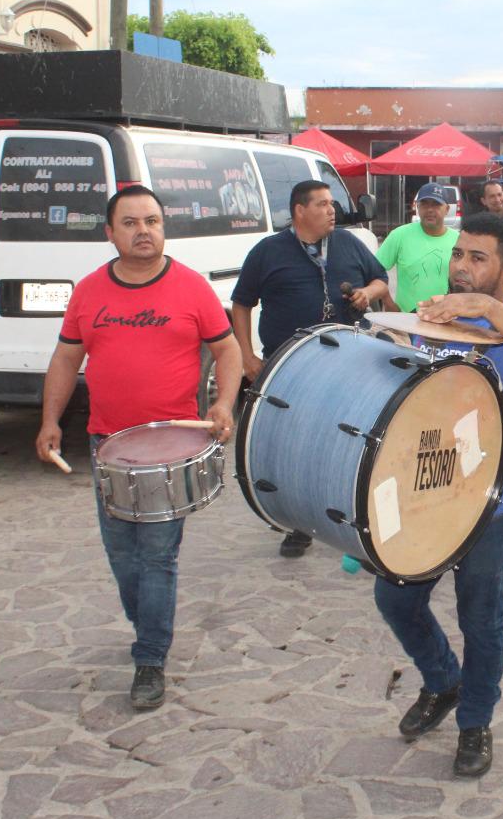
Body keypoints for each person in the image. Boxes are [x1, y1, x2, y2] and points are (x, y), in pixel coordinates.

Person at [35, 185, 242, 711]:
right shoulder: (88, 292)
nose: (143, 231)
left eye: (151, 220)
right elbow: (65, 360)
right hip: (107, 444)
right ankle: (147, 621)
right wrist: (49, 421)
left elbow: (227, 350)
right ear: (110, 233)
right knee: (121, 555)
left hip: (172, 446)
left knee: (157, 557)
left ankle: (151, 657)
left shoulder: (191, 288)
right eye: (130, 223)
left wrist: (224, 404)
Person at [375, 212, 503, 779]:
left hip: (493, 505)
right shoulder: (433, 317)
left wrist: (488, 312)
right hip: (425, 495)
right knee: (396, 600)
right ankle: (443, 681)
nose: (461, 267)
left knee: (482, 619)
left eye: (477, 258)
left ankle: (475, 722)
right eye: (459, 254)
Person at [232, 180, 390, 558]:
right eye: (322, 204)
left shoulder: (349, 243)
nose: (332, 210)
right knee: (294, 447)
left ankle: (357, 516)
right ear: (299, 210)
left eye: (332, 203)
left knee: (351, 441)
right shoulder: (268, 252)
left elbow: (381, 280)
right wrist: (246, 356)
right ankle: (300, 524)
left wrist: (367, 294)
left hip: (351, 362)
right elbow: (241, 304)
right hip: (291, 367)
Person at [377, 182, 457, 312]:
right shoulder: (399, 235)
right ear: (417, 207)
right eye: (424, 204)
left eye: (436, 204)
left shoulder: (458, 241)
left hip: (445, 319)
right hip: (406, 322)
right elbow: (374, 271)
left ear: (447, 209)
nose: (430, 209)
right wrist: (388, 302)